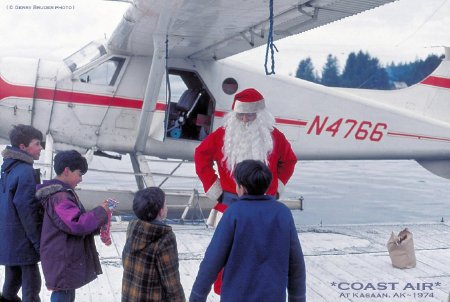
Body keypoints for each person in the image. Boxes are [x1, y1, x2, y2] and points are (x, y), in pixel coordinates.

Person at [189, 160, 306, 302]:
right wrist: (297, 298)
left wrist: (197, 296)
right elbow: (296, 264)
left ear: (241, 188)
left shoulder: (234, 212)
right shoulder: (283, 213)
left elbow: (213, 259)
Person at [194, 87, 297, 209]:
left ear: (260, 115)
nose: (244, 119)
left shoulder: (275, 136)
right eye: (240, 115)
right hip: (230, 203)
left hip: (265, 203)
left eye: (250, 115)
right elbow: (201, 155)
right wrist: (214, 188)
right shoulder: (221, 135)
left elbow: (289, 161)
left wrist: (277, 187)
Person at [35, 150, 110, 302]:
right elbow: (76, 223)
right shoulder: (59, 196)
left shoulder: (62, 193)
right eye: (79, 174)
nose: (81, 179)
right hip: (62, 258)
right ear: (67, 171)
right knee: (63, 293)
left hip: (64, 256)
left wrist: (99, 221)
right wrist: (101, 212)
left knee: (67, 292)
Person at [0, 124, 43, 302]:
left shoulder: (7, 169)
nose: (41, 148)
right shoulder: (25, 172)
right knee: (31, 291)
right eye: (37, 143)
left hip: (9, 241)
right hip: (24, 242)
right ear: (23, 147)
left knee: (10, 288)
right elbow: (29, 212)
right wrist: (39, 243)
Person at [121, 187, 185, 302]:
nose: (167, 207)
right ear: (161, 211)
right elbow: (172, 284)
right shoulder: (165, 238)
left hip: (130, 297)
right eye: (166, 204)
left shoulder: (133, 227)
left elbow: (125, 261)